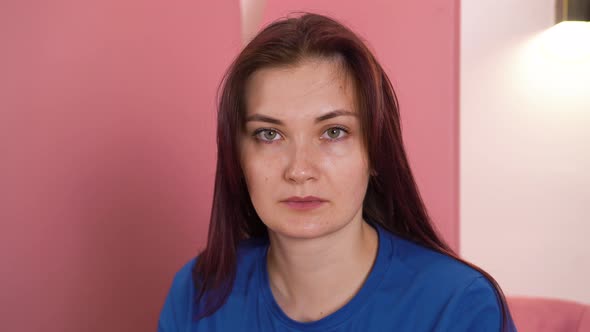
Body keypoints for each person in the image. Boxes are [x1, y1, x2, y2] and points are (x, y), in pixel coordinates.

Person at [158, 13, 517, 332]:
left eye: (333, 132)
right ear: (238, 157)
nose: (299, 170)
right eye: (269, 134)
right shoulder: (198, 293)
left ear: (376, 150)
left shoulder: (459, 305)